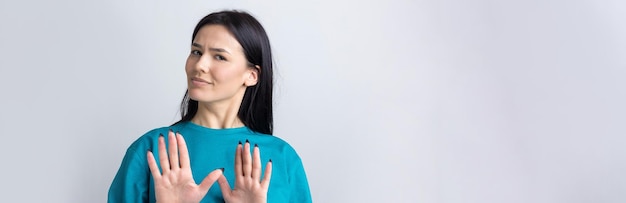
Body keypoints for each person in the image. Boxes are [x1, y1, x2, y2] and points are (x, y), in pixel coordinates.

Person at [108, 10, 312, 203]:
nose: (199, 65)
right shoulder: (151, 150)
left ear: (251, 75)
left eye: (219, 56)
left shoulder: (282, 158)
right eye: (196, 52)